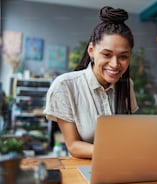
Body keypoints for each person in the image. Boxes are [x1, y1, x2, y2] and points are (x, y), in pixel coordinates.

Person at [44, 6, 139, 159]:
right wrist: (116, 153)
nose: (115, 64)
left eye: (123, 57)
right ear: (91, 51)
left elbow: (127, 135)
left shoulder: (127, 86)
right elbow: (74, 146)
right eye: (107, 54)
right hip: (84, 169)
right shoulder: (65, 86)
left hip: (122, 166)